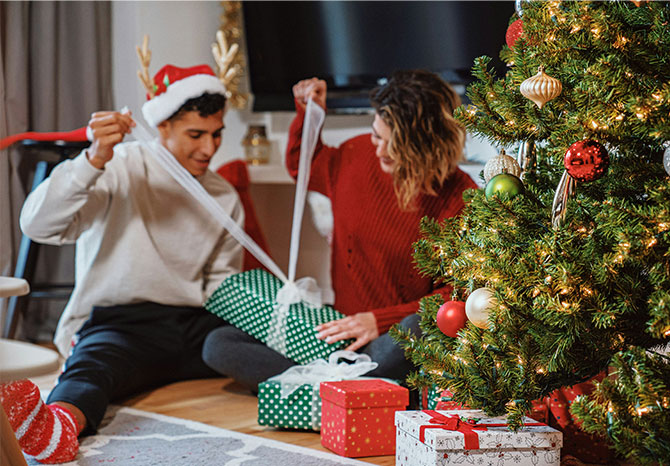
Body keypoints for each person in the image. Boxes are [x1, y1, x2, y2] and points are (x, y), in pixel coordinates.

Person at [0, 63, 244, 464]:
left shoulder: (224, 196)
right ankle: (60, 426)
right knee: (95, 365)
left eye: (217, 135)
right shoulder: (119, 166)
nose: (209, 149)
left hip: (191, 323)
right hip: (122, 321)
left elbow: (221, 282)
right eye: (195, 135)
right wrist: (93, 159)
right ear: (162, 126)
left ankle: (338, 383)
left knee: (260, 338)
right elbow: (37, 224)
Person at [203, 69, 478, 391]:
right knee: (220, 342)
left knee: (417, 328)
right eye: (377, 136)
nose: (379, 151)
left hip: (389, 341)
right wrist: (310, 112)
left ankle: (319, 386)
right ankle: (349, 389)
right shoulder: (355, 154)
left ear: (428, 145)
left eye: (396, 145)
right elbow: (302, 166)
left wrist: (379, 321)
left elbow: (454, 297)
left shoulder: (459, 197)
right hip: (336, 331)